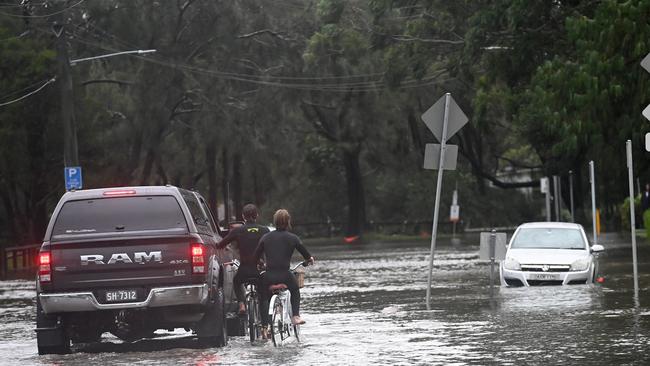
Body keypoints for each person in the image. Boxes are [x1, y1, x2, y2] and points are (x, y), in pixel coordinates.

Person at [254, 209, 314, 330]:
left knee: (263, 296)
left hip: (269, 275)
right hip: (285, 276)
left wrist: (260, 263)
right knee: (295, 290)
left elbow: (256, 256)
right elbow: (306, 255)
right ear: (288, 222)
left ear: (275, 221)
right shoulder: (293, 238)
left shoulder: (266, 237)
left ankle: (265, 326)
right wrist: (310, 259)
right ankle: (296, 316)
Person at [217, 204, 269, 314]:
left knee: (236, 281)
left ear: (243, 217)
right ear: (257, 215)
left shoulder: (238, 230)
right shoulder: (265, 230)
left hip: (244, 269)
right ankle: (265, 320)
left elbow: (221, 244)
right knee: (263, 290)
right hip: (259, 269)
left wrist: (219, 245)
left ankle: (241, 304)